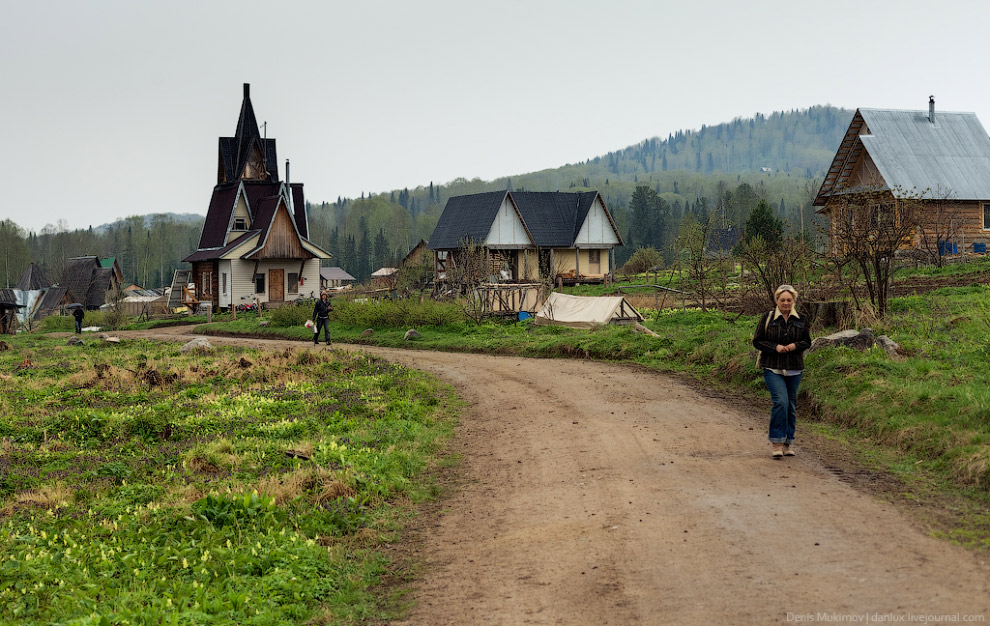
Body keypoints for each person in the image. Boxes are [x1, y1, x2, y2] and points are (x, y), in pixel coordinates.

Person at [752, 284, 812, 458]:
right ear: (777, 300)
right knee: (780, 402)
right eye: (782, 300)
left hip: (794, 368)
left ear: (793, 301)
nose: (786, 303)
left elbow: (807, 342)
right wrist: (775, 347)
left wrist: (794, 346)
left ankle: (788, 442)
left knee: (791, 406)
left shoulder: (801, 319)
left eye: (789, 300)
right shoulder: (768, 318)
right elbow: (757, 341)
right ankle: (777, 443)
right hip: (772, 367)